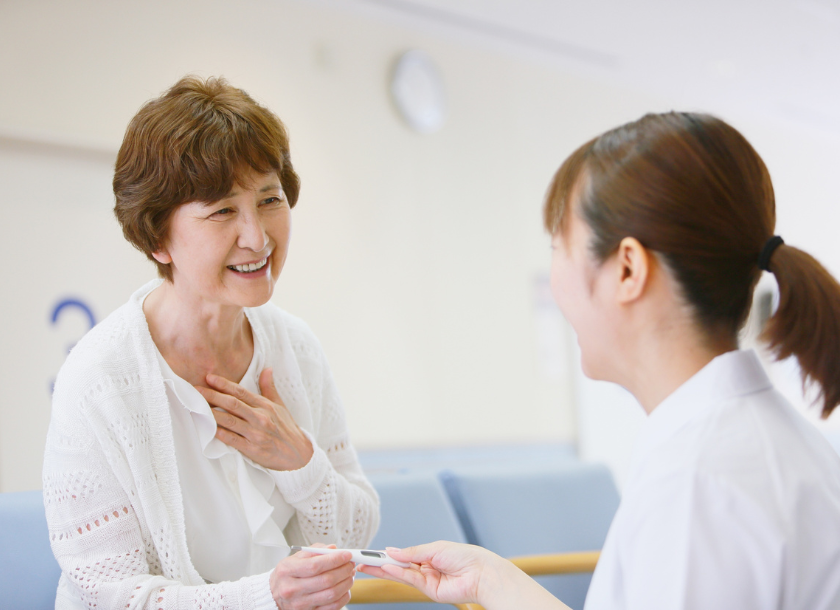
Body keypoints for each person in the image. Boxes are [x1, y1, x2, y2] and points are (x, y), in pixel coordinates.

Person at [358, 112, 840, 609]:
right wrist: (493, 583)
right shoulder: (767, 445)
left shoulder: (696, 483)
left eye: (559, 247)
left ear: (628, 268)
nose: (556, 280)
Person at [43, 76, 379, 610]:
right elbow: (113, 595)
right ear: (158, 237)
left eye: (269, 199)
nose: (258, 236)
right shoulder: (97, 382)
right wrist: (264, 598)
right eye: (223, 211)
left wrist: (300, 464)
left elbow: (359, 530)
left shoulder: (296, 348)